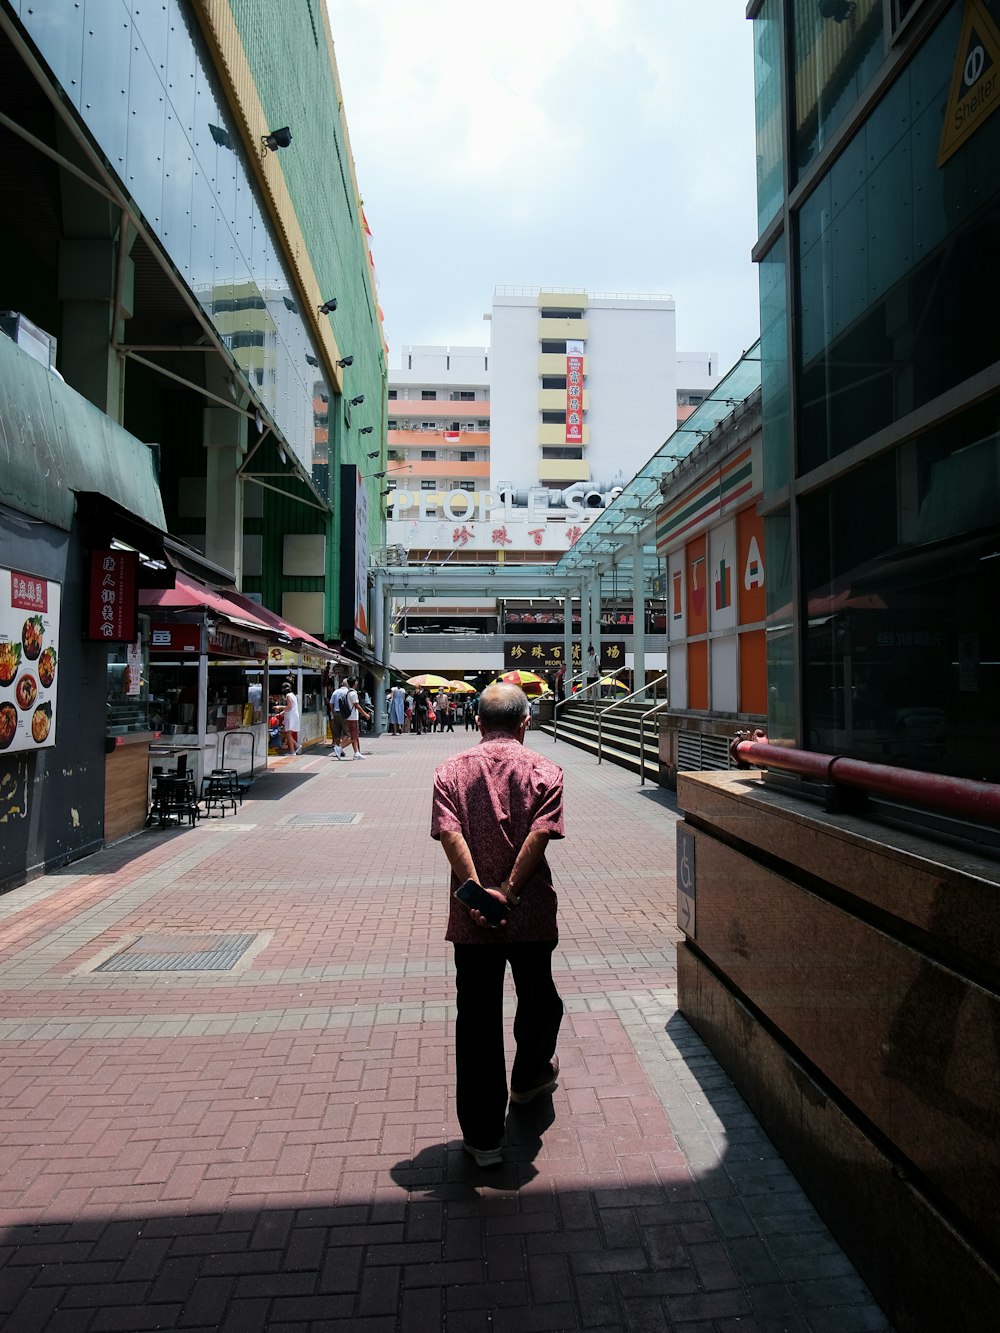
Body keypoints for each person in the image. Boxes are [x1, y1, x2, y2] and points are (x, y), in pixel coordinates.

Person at [431, 682, 565, 1169]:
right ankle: (529, 1076)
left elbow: (448, 832)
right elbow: (541, 833)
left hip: (472, 923)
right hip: (529, 913)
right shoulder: (546, 770)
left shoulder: (449, 771)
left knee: (477, 1021)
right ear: (525, 723)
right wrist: (506, 892)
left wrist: (475, 891)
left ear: (478, 722)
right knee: (540, 1001)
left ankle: (484, 1138)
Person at [343, 676, 370, 758]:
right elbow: (357, 706)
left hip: (351, 717)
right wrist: (365, 714)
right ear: (354, 683)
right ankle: (339, 747)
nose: (357, 683)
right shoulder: (353, 693)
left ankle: (356, 752)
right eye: (356, 681)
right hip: (352, 717)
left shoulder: (349, 692)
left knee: (355, 736)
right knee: (353, 736)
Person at [329, 680, 351, 758]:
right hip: (344, 715)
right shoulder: (348, 692)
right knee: (347, 733)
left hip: (336, 713)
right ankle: (339, 748)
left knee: (337, 733)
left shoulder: (335, 692)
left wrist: (333, 712)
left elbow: (331, 703)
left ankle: (339, 750)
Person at [280, 681, 300, 754]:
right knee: (288, 733)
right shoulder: (293, 695)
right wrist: (282, 713)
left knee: (288, 734)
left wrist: (279, 707)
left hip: (290, 717)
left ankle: (292, 751)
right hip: (292, 716)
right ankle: (296, 745)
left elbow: (289, 707)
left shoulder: (288, 696)